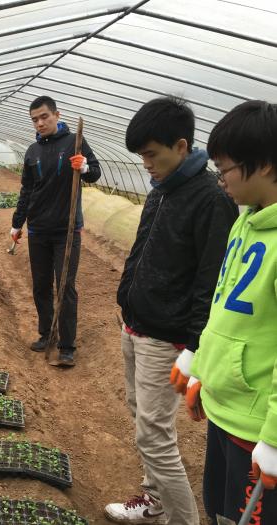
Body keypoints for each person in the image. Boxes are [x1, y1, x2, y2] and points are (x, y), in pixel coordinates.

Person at [105, 96, 238, 525]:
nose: (145, 163)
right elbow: (142, 249)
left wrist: (193, 346)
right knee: (139, 415)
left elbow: (210, 282)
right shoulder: (161, 190)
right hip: (138, 325)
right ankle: (154, 500)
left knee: (154, 435)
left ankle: (183, 519)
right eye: (141, 156)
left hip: (167, 337)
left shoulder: (211, 199)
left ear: (181, 146)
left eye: (151, 154)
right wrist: (127, 297)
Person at [181, 100, 277, 524]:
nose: (220, 177)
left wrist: (273, 440)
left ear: (267, 165)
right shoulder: (245, 221)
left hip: (256, 428)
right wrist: (203, 367)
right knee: (219, 511)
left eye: (226, 168)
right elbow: (223, 306)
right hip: (226, 411)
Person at [10, 95, 101, 367]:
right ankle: (46, 334)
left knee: (65, 286)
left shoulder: (75, 142)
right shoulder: (32, 152)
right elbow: (27, 190)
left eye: (44, 117)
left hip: (66, 230)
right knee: (41, 286)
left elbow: (95, 172)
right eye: (35, 119)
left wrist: (84, 167)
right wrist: (17, 223)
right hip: (38, 229)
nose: (40, 123)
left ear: (57, 115)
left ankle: (67, 346)